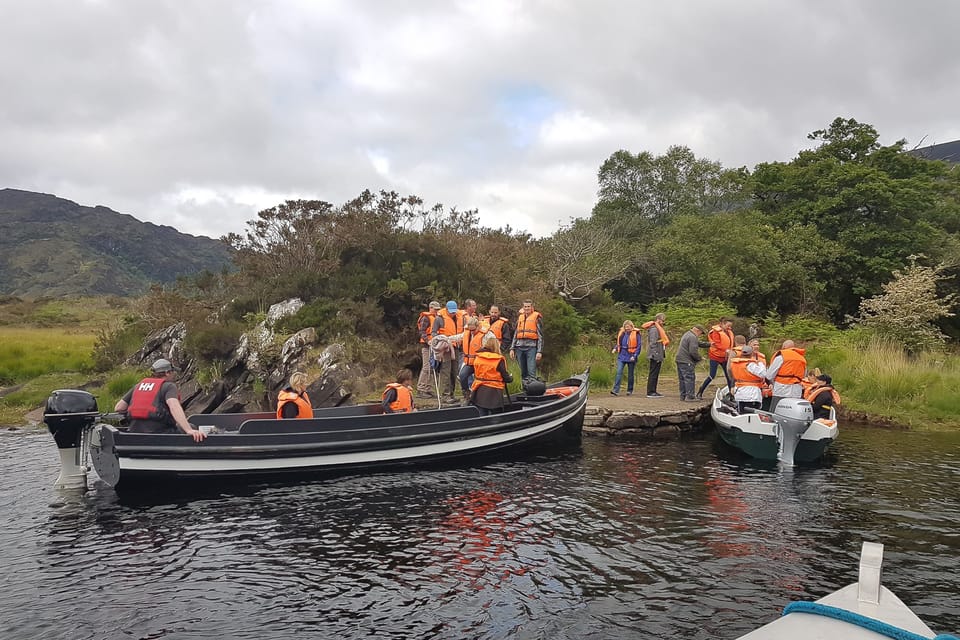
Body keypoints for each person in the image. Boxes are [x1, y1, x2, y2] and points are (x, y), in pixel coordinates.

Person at [114, 358, 206, 442]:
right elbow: (174, 406)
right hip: (159, 434)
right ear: (167, 373)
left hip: (135, 433)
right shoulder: (168, 386)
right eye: (172, 372)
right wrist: (189, 430)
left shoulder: (139, 385)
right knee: (192, 427)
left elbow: (119, 407)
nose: (174, 375)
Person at [463, 334, 513, 416]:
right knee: (495, 416)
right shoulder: (498, 359)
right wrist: (510, 378)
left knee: (481, 414)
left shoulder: (478, 357)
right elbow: (505, 377)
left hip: (479, 390)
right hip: (494, 392)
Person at [434, 300, 465, 399]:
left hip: (456, 347)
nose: (452, 313)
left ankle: (451, 394)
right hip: (445, 348)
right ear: (446, 309)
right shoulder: (439, 319)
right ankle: (445, 395)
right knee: (445, 371)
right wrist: (442, 339)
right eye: (450, 311)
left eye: (454, 311)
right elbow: (433, 333)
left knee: (454, 371)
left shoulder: (460, 318)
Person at [764, 339, 807, 411]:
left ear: (783, 347)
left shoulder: (781, 357)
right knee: (792, 412)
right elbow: (803, 375)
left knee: (776, 411)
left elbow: (769, 375)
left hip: (781, 390)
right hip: (796, 391)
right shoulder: (802, 359)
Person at [696, 319, 735, 399]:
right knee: (712, 375)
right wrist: (726, 350)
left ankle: (731, 395)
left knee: (729, 375)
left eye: (730, 326)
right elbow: (716, 344)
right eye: (728, 326)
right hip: (715, 356)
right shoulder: (715, 332)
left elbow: (730, 343)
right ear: (722, 324)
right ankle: (700, 391)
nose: (729, 328)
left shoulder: (729, 332)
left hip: (725, 357)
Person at [509, 299, 543, 381]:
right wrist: (512, 348)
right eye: (525, 307)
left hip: (531, 347)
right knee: (523, 372)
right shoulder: (520, 317)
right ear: (523, 308)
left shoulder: (536, 318)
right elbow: (516, 334)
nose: (526, 308)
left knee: (531, 372)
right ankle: (525, 390)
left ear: (532, 307)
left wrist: (539, 351)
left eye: (528, 307)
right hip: (519, 347)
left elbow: (540, 336)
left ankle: (533, 390)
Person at [728, 345, 767, 414]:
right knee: (752, 414)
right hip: (752, 394)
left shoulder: (734, 364)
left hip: (740, 392)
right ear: (751, 354)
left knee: (741, 412)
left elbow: (732, 375)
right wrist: (760, 363)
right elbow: (763, 374)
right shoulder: (750, 364)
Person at [416, 301, 442, 398]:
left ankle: (428, 389)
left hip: (435, 346)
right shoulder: (425, 318)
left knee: (432, 367)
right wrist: (427, 341)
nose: (437, 311)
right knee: (426, 367)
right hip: (427, 346)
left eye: (438, 309)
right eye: (435, 309)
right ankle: (421, 389)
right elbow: (422, 331)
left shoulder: (437, 318)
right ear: (430, 308)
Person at [610, 320, 642, 396]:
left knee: (630, 374)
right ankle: (615, 390)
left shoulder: (636, 334)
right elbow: (619, 343)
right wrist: (615, 348)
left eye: (628, 327)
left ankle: (629, 390)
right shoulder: (622, 334)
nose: (627, 328)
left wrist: (635, 355)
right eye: (625, 327)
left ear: (631, 326)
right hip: (622, 355)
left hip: (631, 355)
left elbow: (639, 346)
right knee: (619, 372)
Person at [675, 324, 706, 401]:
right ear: (697, 330)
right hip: (686, 361)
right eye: (701, 333)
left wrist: (710, 344)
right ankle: (690, 396)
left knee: (682, 378)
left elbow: (698, 343)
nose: (700, 335)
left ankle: (683, 395)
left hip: (680, 359)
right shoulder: (692, 337)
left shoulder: (687, 334)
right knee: (689, 378)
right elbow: (693, 351)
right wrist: (699, 358)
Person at [642, 313, 669, 398]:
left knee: (655, 373)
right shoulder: (654, 329)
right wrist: (656, 354)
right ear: (658, 319)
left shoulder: (658, 328)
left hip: (658, 353)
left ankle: (653, 390)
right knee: (653, 373)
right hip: (655, 354)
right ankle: (651, 392)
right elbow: (652, 343)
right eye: (662, 320)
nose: (663, 322)